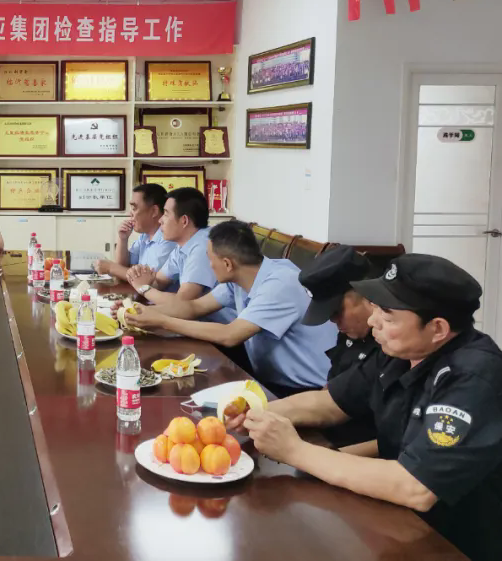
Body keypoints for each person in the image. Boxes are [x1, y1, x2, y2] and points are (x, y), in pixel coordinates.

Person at [228, 254, 502, 561]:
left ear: (437, 328)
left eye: (388, 316)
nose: (373, 322)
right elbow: (329, 403)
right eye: (376, 309)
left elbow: (416, 486)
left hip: (453, 542)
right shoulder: (399, 353)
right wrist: (257, 411)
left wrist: (294, 451)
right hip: (395, 521)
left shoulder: (472, 377)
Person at [124, 220, 335, 396]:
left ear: (227, 264)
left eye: (210, 259)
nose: (209, 265)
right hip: (267, 376)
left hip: (306, 390)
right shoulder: (241, 277)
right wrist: (142, 312)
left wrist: (162, 321)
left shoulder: (280, 284)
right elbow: (194, 307)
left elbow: (230, 335)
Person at [298, 245, 379, 446]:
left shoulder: (392, 345)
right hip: (330, 438)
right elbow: (331, 389)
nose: (333, 321)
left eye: (337, 311)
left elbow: (392, 443)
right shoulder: (352, 333)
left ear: (366, 294)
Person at [125, 187, 235, 324]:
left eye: (166, 214)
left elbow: (183, 303)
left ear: (184, 221)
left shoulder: (203, 246)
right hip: (197, 322)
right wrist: (134, 302)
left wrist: (144, 288)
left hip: (221, 328)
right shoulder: (183, 245)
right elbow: (158, 282)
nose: (160, 220)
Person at [96, 184, 176, 282]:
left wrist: (110, 267)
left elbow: (150, 280)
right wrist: (123, 239)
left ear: (154, 211)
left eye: (134, 208)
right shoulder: (144, 236)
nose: (130, 214)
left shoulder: (168, 239)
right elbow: (123, 268)